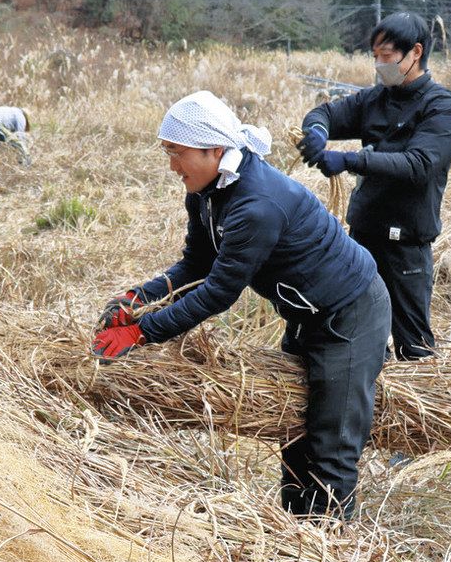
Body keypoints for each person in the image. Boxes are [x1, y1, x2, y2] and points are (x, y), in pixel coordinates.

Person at [92, 91, 391, 520]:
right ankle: (296, 531)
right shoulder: (207, 191)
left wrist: (143, 331)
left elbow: (218, 291)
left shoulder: (257, 204)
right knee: (297, 436)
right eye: (168, 153)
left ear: (215, 149)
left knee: (331, 443)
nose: (172, 165)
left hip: (351, 315)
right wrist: (140, 299)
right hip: (308, 315)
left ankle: (332, 552)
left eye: (178, 153)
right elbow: (197, 264)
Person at [297, 11, 451, 361]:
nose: (379, 65)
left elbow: (418, 164)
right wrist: (316, 131)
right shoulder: (374, 99)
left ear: (415, 53)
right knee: (353, 335)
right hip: (361, 239)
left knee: (414, 349)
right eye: (374, 56)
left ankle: (415, 410)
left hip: (406, 246)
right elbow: (325, 114)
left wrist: (350, 159)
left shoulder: (442, 108)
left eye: (386, 56)